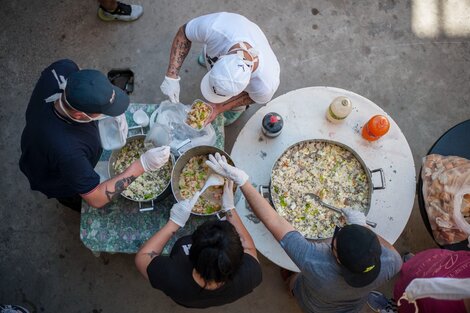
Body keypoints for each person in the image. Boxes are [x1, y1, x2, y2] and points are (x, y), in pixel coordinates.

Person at [205, 153, 403, 313]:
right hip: (353, 307)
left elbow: (273, 220)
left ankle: (291, 287)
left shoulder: (314, 262)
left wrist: (243, 181)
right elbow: (386, 247)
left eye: (334, 241)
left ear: (337, 257)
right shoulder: (392, 263)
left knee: (294, 282)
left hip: (314, 305)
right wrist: (361, 226)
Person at [19, 59, 170, 211]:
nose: (110, 113)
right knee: (74, 198)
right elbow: (96, 198)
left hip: (41, 135)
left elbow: (81, 73)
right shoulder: (69, 152)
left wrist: (110, 109)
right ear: (79, 115)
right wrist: (142, 165)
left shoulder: (63, 68)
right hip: (55, 174)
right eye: (104, 112)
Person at [135, 180, 262, 308]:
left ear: (191, 252)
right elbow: (250, 248)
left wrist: (174, 223)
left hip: (183, 297)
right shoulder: (250, 275)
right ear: (238, 259)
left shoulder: (170, 277)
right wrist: (229, 208)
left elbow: (143, 256)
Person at [160, 12, 280, 126]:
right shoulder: (216, 28)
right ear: (221, 57)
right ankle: (208, 58)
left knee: (236, 108)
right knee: (210, 51)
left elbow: (251, 97)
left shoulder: (265, 86)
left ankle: (235, 110)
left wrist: (219, 107)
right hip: (220, 42)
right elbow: (184, 33)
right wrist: (171, 76)